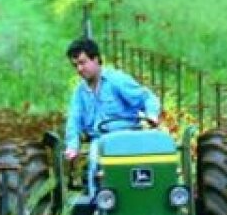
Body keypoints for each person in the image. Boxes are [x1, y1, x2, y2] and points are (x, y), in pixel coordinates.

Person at [63, 36, 161, 166]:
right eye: (75, 65)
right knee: (94, 163)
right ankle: (98, 186)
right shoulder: (80, 93)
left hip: (127, 136)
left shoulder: (116, 80)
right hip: (100, 140)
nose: (79, 69)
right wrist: (72, 146)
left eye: (82, 63)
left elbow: (146, 97)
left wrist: (152, 115)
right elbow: (74, 121)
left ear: (96, 59)